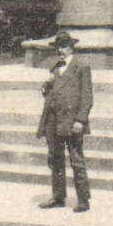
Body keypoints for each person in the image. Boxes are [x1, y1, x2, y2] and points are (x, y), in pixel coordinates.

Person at [36, 31, 93, 212]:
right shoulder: (55, 68)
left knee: (76, 159)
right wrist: (46, 86)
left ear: (71, 48)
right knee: (55, 158)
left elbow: (87, 96)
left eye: (63, 47)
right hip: (53, 119)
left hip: (71, 121)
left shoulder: (81, 66)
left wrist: (80, 120)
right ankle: (58, 196)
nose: (60, 50)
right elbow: (51, 94)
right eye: (57, 47)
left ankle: (83, 199)